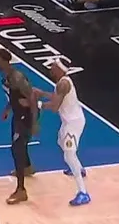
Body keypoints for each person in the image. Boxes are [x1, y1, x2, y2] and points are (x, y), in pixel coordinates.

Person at [37, 61, 90, 205]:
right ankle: (79, 168)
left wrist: (38, 104)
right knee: (60, 141)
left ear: (60, 69)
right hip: (69, 121)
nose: (51, 68)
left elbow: (55, 107)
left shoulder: (63, 84)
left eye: (54, 66)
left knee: (69, 155)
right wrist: (42, 94)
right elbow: (57, 97)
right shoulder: (62, 82)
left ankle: (83, 193)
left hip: (73, 123)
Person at [0, 48, 38, 204]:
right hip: (18, 114)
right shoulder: (6, 76)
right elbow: (14, 97)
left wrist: (35, 123)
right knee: (19, 145)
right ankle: (27, 168)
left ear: (3, 61)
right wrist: (7, 109)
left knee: (17, 149)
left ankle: (21, 190)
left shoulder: (17, 77)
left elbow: (32, 98)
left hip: (25, 116)